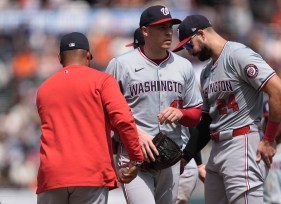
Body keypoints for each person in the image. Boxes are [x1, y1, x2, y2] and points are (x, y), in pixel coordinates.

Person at [173, 15, 281, 203]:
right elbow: (206, 121)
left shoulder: (238, 54)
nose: (189, 52)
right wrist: (185, 156)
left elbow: (280, 92)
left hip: (241, 142)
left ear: (201, 34)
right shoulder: (206, 73)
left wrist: (269, 139)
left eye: (188, 45)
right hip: (217, 148)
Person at [106, 5, 203, 204]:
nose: (169, 32)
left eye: (170, 26)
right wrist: (132, 131)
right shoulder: (121, 65)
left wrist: (181, 114)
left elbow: (196, 115)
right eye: (161, 27)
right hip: (134, 155)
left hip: (170, 156)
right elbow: (105, 112)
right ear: (145, 31)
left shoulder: (183, 66)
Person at [35, 32, 144, 204]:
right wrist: (136, 158)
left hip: (52, 174)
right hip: (90, 172)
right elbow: (123, 120)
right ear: (88, 55)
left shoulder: (43, 89)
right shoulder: (102, 80)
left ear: (59, 58)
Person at [125, 27, 206, 204]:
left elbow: (194, 122)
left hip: (177, 159)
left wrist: (193, 160)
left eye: (137, 47)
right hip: (175, 158)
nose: (135, 52)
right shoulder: (137, 74)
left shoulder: (173, 73)